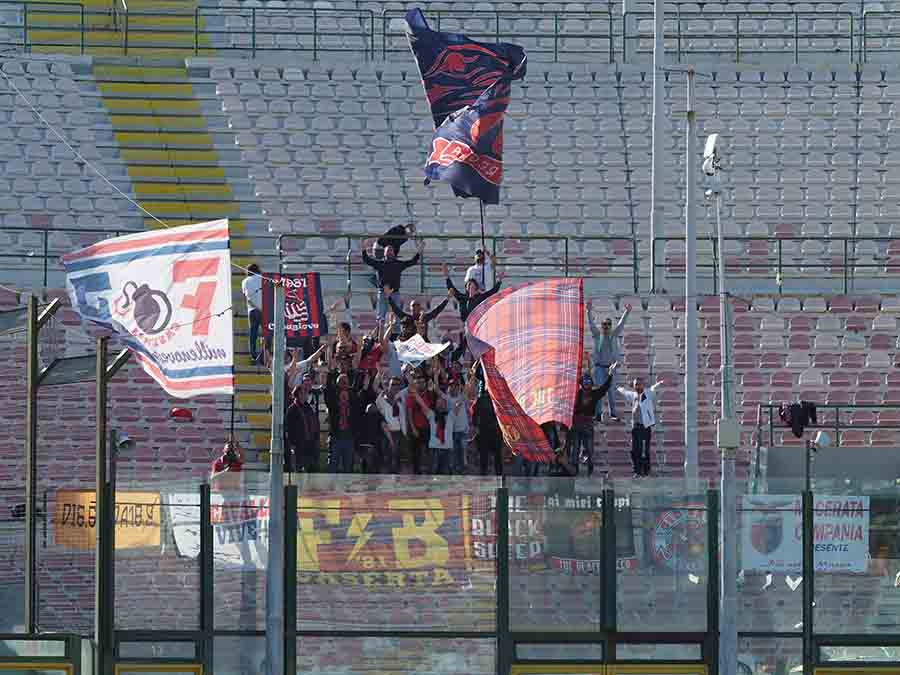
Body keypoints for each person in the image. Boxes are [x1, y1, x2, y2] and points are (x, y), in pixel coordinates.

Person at [567, 362, 619, 476]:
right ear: (581, 383)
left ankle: (590, 471)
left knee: (590, 450)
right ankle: (574, 472)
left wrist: (610, 374)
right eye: (585, 381)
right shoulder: (576, 394)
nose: (587, 383)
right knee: (574, 450)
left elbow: (605, 388)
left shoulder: (594, 394)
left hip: (588, 426)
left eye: (589, 381)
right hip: (575, 426)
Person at [587, 300, 631, 422]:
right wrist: (588, 311)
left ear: (611, 326)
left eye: (608, 324)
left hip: (611, 368)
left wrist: (626, 312)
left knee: (611, 391)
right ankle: (598, 414)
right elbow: (591, 324)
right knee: (600, 391)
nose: (606, 326)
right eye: (604, 325)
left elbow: (621, 324)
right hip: (600, 367)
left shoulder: (614, 335)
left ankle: (613, 413)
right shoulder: (597, 335)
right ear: (602, 326)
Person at [363, 239, 424, 323]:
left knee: (397, 316)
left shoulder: (398, 264)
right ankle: (379, 333)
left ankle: (396, 334)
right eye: (387, 251)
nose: (389, 252)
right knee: (381, 315)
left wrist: (419, 251)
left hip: (395, 293)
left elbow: (412, 262)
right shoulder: (380, 264)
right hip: (382, 292)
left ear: (394, 253)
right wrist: (363, 249)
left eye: (391, 250)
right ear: (384, 253)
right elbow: (367, 260)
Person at [618, 376, 664, 477]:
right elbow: (625, 392)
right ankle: (637, 471)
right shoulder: (633, 395)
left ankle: (646, 471)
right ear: (634, 386)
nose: (638, 386)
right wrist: (618, 388)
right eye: (636, 385)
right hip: (635, 427)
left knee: (644, 450)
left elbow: (653, 388)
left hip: (645, 427)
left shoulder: (648, 393)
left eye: (640, 384)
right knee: (634, 450)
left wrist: (659, 384)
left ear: (643, 385)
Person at [410, 378, 455, 475]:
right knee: (432, 473)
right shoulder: (431, 414)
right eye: (438, 402)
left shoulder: (451, 415)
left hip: (447, 449)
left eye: (442, 403)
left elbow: (463, 398)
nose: (440, 404)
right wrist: (414, 392)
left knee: (446, 475)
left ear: (445, 405)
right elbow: (421, 403)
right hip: (434, 448)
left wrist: (470, 380)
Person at [323, 371, 360, 473]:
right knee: (333, 466)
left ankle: (346, 488)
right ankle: (331, 487)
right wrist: (330, 372)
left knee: (348, 467)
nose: (344, 385)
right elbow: (328, 391)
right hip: (336, 436)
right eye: (341, 382)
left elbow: (358, 392)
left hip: (349, 436)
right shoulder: (333, 398)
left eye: (346, 382)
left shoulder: (353, 399)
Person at [285, 376, 320, 473]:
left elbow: (314, 423)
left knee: (311, 470)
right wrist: (292, 444)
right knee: (299, 471)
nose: (306, 395)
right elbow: (288, 429)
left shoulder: (308, 408)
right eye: (304, 393)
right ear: (299, 394)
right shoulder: (292, 409)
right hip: (298, 446)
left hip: (310, 445)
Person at [376, 375, 407, 473]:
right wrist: (380, 376)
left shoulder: (401, 400)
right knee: (386, 460)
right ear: (388, 385)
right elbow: (375, 387)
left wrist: (405, 434)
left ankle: (396, 484)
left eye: (397, 384)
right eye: (393, 384)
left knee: (397, 461)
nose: (395, 386)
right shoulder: (381, 399)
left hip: (400, 433)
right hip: (387, 434)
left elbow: (403, 418)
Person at [404, 373, 433, 474]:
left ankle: (429, 472)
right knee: (415, 453)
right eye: (418, 383)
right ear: (415, 384)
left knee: (429, 452)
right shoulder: (411, 396)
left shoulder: (429, 395)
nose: (421, 384)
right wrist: (413, 429)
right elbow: (409, 413)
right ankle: (416, 473)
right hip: (416, 428)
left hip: (427, 428)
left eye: (422, 382)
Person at [446, 376, 469, 474]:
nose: (453, 387)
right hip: (453, 431)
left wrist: (469, 377)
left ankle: (462, 471)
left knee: (463, 452)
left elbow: (469, 389)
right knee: (454, 452)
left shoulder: (463, 397)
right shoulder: (446, 398)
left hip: (463, 429)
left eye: (455, 385)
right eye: (451, 385)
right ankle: (454, 471)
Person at [241, 264, 263, 363]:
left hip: (253, 310)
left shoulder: (245, 281)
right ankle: (266, 352)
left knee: (253, 333)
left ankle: (253, 354)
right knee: (267, 332)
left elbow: (246, 296)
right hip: (264, 309)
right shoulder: (263, 278)